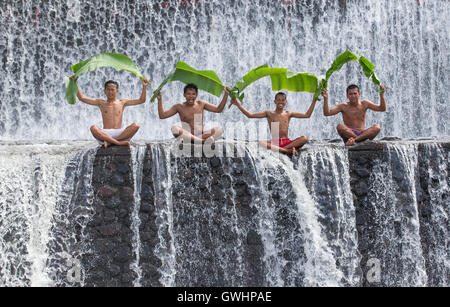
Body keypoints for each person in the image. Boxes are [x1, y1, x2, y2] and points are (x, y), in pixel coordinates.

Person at [231, 91, 319, 154]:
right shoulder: (269, 113)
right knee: (261, 142)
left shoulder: (288, 113)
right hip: (275, 142)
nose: (280, 102)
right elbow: (250, 115)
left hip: (287, 142)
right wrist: (238, 104)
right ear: (275, 101)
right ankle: (286, 151)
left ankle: (280, 149)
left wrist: (314, 101)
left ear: (285, 102)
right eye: (278, 100)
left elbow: (307, 115)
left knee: (304, 138)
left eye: (282, 100)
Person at [72, 77, 149, 147]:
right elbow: (81, 98)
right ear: (104, 91)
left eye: (112, 89)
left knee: (136, 125)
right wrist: (74, 82)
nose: (110, 92)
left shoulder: (122, 102)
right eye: (108, 89)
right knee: (93, 128)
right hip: (105, 134)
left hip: (120, 133)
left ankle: (111, 142)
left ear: (116, 91)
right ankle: (118, 142)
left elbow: (141, 100)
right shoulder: (100, 102)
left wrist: (144, 86)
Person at [156, 83, 231, 143]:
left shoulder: (201, 104)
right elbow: (162, 115)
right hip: (187, 134)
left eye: (193, 94)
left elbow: (219, 109)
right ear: (184, 95)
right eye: (188, 94)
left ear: (196, 95)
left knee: (219, 129)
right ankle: (202, 141)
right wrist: (159, 100)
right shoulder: (178, 106)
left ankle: (195, 140)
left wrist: (226, 94)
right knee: (175, 129)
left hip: (200, 135)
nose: (191, 96)